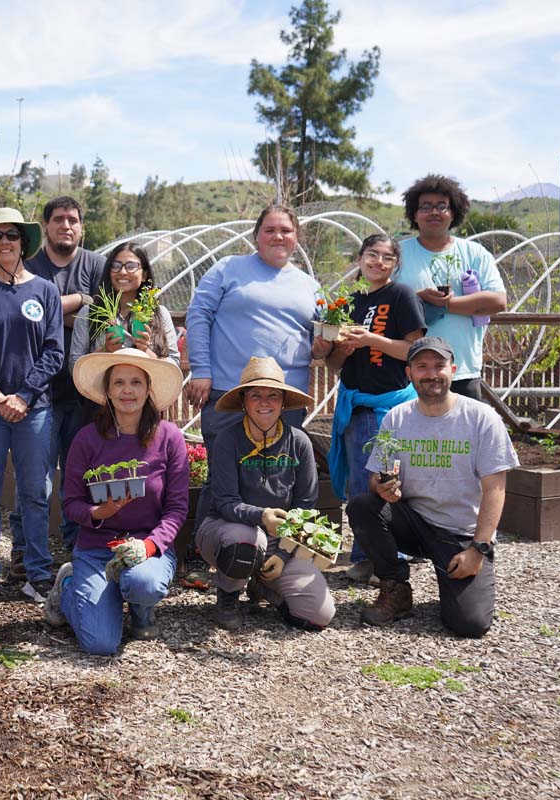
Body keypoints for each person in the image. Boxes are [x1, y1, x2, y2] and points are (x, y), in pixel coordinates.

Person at [182, 204, 333, 588]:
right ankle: (206, 554)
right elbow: (198, 314)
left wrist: (322, 348)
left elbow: (320, 339)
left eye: (286, 230)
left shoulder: (308, 285)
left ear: (297, 238)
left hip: (285, 399)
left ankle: (271, 559)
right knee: (222, 476)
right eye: (270, 229)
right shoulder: (229, 269)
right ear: (256, 236)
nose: (278, 236)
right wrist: (201, 369)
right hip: (228, 392)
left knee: (279, 477)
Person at [346, 337, 517, 638]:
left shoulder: (481, 418)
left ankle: (453, 579)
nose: (431, 374)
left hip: (461, 533)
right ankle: (395, 589)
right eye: (422, 366)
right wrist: (384, 489)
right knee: (363, 505)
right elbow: (376, 477)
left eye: (439, 366)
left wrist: (478, 550)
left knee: (469, 623)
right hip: (414, 521)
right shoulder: (397, 417)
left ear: (453, 369)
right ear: (409, 373)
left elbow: (495, 489)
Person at [45, 348, 188, 654]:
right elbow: (71, 503)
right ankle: (68, 588)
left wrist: (149, 546)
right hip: (97, 548)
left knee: (144, 584)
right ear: (107, 392)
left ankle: (141, 610)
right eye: (119, 382)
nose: (127, 390)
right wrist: (100, 511)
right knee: (100, 644)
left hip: (147, 548)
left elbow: (176, 509)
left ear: (148, 390)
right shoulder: (87, 439)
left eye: (136, 382)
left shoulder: (169, 437)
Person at [0, 207, 64, 605]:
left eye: (12, 235)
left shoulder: (45, 292)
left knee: (35, 492)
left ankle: (37, 573)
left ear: (24, 242)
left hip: (34, 409)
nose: (5, 241)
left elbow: (54, 352)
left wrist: (24, 395)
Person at [193, 357, 335, 633]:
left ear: (283, 402)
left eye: (273, 395)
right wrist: (261, 516)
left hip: (280, 540)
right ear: (243, 401)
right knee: (246, 538)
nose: (264, 403)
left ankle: (263, 585)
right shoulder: (227, 439)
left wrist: (282, 554)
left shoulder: (300, 442)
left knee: (319, 615)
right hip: (227, 532)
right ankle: (227, 600)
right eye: (256, 395)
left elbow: (305, 506)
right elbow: (224, 503)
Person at [325, 235, 425, 584]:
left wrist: (371, 340)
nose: (378, 262)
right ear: (359, 258)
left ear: (396, 264)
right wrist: (345, 349)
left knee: (384, 480)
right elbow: (334, 364)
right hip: (356, 404)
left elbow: (414, 349)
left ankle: (382, 556)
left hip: (389, 406)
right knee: (358, 483)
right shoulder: (347, 302)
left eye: (387, 257)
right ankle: (367, 555)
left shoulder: (401, 295)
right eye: (372, 255)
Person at [20, 196, 106, 559]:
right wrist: (79, 301)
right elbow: (24, 317)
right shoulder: (28, 266)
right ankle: (25, 551)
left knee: (80, 475)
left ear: (81, 227)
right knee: (34, 478)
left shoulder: (98, 265)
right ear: (46, 227)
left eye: (73, 219)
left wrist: (52, 308)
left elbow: (104, 318)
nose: (66, 225)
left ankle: (77, 549)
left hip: (87, 392)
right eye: (58, 219)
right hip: (39, 389)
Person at [395, 174, 507, 401]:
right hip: (407, 370)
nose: (434, 212)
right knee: (408, 435)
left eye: (441, 206)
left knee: (464, 435)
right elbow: (378, 299)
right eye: (425, 207)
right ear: (414, 215)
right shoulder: (397, 254)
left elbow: (498, 301)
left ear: (453, 213)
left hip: (461, 369)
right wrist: (418, 299)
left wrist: (444, 305)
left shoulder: (475, 253)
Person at [68, 241, 180, 374]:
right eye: (115, 266)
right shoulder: (90, 313)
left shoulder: (159, 314)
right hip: (100, 393)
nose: (122, 271)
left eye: (131, 266)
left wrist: (145, 351)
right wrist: (105, 350)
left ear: (144, 274)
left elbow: (174, 364)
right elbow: (74, 366)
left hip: (147, 393)